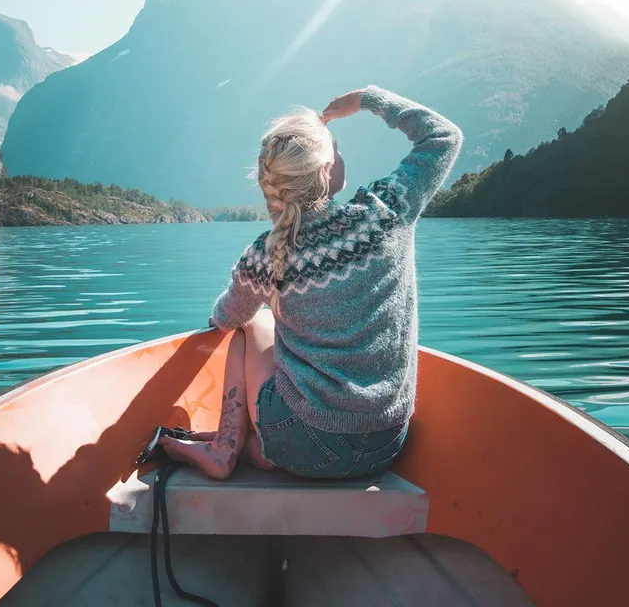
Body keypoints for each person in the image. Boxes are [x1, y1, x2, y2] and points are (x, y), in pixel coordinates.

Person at [160, 86, 463, 480]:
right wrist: (368, 100)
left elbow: (226, 317)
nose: (340, 153)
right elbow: (443, 136)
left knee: (249, 325)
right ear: (326, 172)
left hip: (302, 443)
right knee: (264, 340)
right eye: (335, 148)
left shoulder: (265, 255)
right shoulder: (385, 214)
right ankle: (245, 447)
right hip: (386, 442)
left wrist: (240, 311)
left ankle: (226, 447)